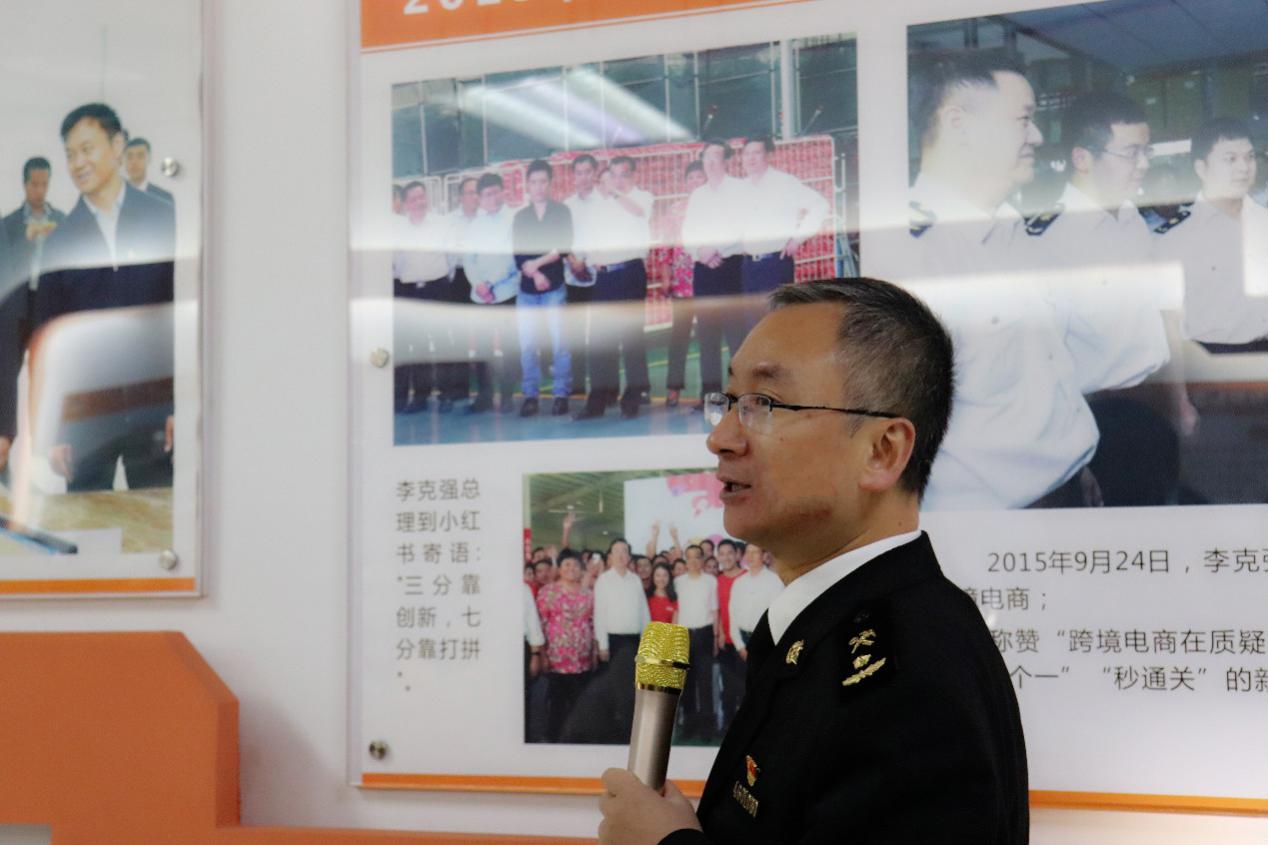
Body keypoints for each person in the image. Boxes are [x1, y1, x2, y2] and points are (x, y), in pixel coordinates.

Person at [598, 278, 1027, 844]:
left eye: (765, 404)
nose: (721, 438)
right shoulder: (823, 630)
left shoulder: (905, 681)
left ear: (882, 451)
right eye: (729, 401)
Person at [887, 51, 1166, 509]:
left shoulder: (1011, 231)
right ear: (959, 123)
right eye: (1023, 120)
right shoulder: (912, 256)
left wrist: (1074, 465)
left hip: (1065, 487)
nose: (1037, 136)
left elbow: (1039, 376)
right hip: (992, 519)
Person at [35, 103, 176, 491]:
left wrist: (180, 406)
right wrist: (55, 429)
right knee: (88, 521)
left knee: (157, 517)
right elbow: (50, 339)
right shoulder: (60, 241)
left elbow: (181, 317)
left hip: (155, 410)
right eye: (70, 154)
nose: (77, 163)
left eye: (87, 149)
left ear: (117, 146)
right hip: (86, 421)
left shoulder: (164, 218)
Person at [1155, 117, 1268, 352]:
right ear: (1201, 168)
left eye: (1250, 157)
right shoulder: (1174, 238)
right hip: (1214, 359)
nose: (1244, 167)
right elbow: (1168, 323)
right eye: (1230, 159)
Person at [576, 157, 654, 420]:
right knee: (599, 340)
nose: (618, 180)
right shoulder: (600, 206)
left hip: (630, 272)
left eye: (623, 175)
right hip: (605, 277)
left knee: (631, 338)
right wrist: (591, 259)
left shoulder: (642, 197)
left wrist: (615, 192)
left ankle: (633, 398)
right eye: (613, 175)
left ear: (633, 175)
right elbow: (589, 238)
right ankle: (597, 401)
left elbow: (638, 212)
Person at [682, 140, 748, 403]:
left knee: (736, 335)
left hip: (730, 266)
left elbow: (741, 226)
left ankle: (740, 394)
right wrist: (700, 252)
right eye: (706, 158)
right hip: (704, 269)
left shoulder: (740, 189)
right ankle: (709, 396)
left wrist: (715, 249)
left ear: (727, 161)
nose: (710, 163)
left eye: (715, 157)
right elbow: (688, 232)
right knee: (707, 335)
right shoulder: (698, 195)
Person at [735, 137, 828, 323]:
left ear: (769, 155)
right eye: (747, 154)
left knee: (777, 322)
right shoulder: (740, 188)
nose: (751, 158)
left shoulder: (785, 183)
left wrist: (797, 239)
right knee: (752, 325)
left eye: (757, 153)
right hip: (747, 267)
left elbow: (820, 205)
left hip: (775, 264)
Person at [513, 159, 573, 417]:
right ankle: (531, 396)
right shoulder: (521, 217)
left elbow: (563, 246)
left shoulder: (561, 212)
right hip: (527, 292)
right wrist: (535, 273)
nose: (538, 187)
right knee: (528, 346)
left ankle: (561, 394)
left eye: (543, 182)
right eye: (534, 182)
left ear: (550, 184)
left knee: (560, 344)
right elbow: (518, 254)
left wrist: (537, 264)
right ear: (527, 185)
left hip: (554, 288)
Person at [393, 180, 457, 414]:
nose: (419, 202)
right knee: (416, 345)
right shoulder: (398, 230)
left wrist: (442, 281)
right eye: (413, 199)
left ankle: (447, 394)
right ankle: (420, 396)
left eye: (422, 197)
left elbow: (451, 257)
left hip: (437, 288)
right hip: (410, 291)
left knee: (443, 342)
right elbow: (395, 262)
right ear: (405, 204)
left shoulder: (441, 224)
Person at [463, 172, 521, 413]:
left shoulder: (514, 220)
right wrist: (478, 284)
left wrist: (490, 284)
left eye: (496, 192)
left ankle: (507, 395)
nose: (492, 198)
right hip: (480, 296)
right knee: (483, 349)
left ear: (503, 192)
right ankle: (484, 397)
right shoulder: (474, 225)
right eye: (487, 195)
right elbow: (468, 259)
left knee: (509, 348)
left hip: (506, 293)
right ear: (480, 198)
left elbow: (512, 258)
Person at [589, 538, 651, 742]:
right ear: (610, 557)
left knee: (633, 686)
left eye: (624, 551)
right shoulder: (603, 580)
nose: (621, 555)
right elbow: (599, 614)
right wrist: (603, 645)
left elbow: (643, 612)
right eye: (617, 552)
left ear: (629, 556)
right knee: (615, 685)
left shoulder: (635, 580)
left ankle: (630, 730)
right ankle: (613, 730)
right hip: (613, 641)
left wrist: (647, 642)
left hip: (634, 640)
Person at [536, 550, 596, 742]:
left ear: (581, 570)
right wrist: (542, 654)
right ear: (559, 568)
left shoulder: (588, 594)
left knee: (580, 703)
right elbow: (541, 624)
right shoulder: (548, 592)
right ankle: (554, 739)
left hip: (582, 660)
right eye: (567, 565)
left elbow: (592, 624)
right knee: (557, 704)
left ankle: (577, 740)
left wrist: (594, 652)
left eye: (576, 565)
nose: (572, 568)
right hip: (556, 660)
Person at [660, 160, 707, 407]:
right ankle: (673, 388)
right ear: (686, 183)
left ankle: (709, 390)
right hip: (681, 284)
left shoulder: (714, 207)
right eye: (692, 178)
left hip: (708, 281)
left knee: (708, 338)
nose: (696, 181)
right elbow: (665, 246)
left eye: (700, 177)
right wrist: (666, 275)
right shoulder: (676, 210)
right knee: (679, 336)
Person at [564, 154, 602, 396]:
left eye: (588, 171)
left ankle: (602, 387)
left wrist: (585, 263)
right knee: (575, 334)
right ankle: (577, 384)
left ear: (595, 173)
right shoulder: (567, 206)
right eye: (579, 173)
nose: (584, 177)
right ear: (573, 176)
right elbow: (561, 239)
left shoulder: (605, 203)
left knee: (599, 335)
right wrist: (574, 263)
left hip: (598, 276)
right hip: (572, 277)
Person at [673, 544, 718, 741]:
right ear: (685, 560)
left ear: (702, 559)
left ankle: (707, 729)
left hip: (705, 633)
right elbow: (676, 610)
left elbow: (715, 611)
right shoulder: (678, 582)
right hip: (684, 635)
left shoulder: (711, 581)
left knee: (705, 683)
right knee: (687, 683)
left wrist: (716, 636)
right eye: (689, 557)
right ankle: (689, 727)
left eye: (696, 557)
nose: (693, 561)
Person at [726, 541, 783, 660]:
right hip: (741, 640)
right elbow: (733, 614)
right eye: (747, 552)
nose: (750, 556)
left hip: (764, 641)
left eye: (755, 552)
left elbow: (778, 617)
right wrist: (739, 646)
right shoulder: (739, 582)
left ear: (764, 555)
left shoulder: (775, 581)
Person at [713, 538, 745, 726]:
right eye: (722, 554)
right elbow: (716, 610)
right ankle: (727, 725)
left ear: (737, 555)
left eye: (730, 553)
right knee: (728, 685)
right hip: (725, 641)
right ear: (718, 556)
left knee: (744, 685)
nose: (726, 557)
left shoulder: (746, 577)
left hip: (744, 641)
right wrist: (719, 634)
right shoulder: (717, 581)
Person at [122, 137, 173, 205]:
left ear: (149, 159)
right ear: (124, 160)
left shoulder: (164, 199)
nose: (134, 162)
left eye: (140, 156)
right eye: (129, 157)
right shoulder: (114, 196)